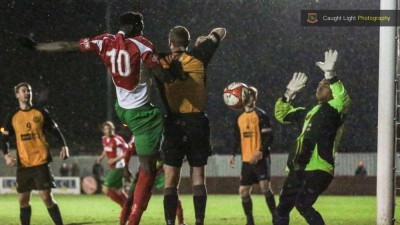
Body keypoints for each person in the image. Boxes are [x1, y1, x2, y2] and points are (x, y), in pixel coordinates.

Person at [19, 12, 184, 225]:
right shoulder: (143, 44)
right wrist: (175, 71)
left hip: (122, 109)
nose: (143, 28)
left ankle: (128, 209)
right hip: (142, 114)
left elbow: (68, 46)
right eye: (141, 25)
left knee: (146, 163)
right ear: (134, 26)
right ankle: (133, 219)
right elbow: (164, 77)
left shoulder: (104, 41)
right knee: (147, 169)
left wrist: (37, 47)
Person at [157, 26, 226, 225]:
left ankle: (170, 222)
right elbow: (221, 31)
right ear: (187, 44)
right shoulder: (199, 56)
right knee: (198, 176)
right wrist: (205, 39)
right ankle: (199, 221)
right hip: (197, 123)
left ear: (170, 43)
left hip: (173, 123)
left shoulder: (160, 61)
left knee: (170, 178)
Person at [273, 50, 351, 225]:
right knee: (282, 209)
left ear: (332, 89)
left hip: (319, 167)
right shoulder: (307, 111)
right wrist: (288, 94)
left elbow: (343, 98)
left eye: (324, 84)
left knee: (303, 204)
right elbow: (281, 115)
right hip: (298, 166)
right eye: (319, 83)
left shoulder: (335, 109)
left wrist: (331, 75)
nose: (320, 85)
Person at [0, 82, 69, 225]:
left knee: (46, 198)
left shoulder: (41, 112)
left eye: (29, 91)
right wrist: (6, 155)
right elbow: (4, 139)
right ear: (17, 95)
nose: (27, 93)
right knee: (23, 201)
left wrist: (64, 145)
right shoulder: (13, 116)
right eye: (24, 91)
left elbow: (55, 131)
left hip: (40, 162)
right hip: (23, 164)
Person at [229, 86, 276, 225]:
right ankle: (250, 221)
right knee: (243, 191)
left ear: (255, 98)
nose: (249, 98)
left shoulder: (261, 115)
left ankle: (276, 216)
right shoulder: (239, 118)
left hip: (261, 159)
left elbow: (269, 137)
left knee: (265, 187)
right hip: (246, 161)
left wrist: (261, 150)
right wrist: (233, 154)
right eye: (247, 95)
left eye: (252, 95)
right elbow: (237, 139)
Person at [96, 121, 128, 207]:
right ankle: (129, 208)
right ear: (103, 130)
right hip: (113, 167)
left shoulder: (118, 139)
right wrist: (101, 157)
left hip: (119, 166)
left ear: (113, 129)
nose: (108, 131)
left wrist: (114, 160)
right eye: (106, 129)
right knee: (119, 191)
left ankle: (125, 208)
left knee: (105, 189)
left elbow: (127, 152)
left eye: (109, 129)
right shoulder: (104, 139)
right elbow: (106, 149)